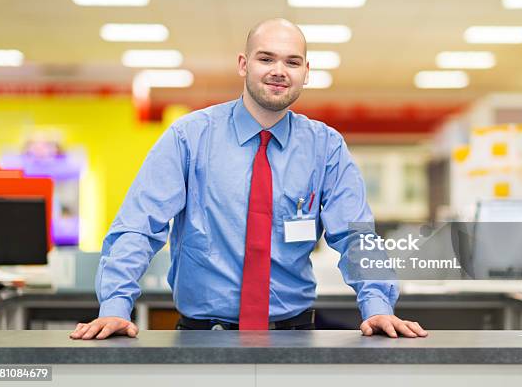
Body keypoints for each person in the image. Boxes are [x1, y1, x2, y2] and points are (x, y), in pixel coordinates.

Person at [70, 18, 428, 340]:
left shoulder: (325, 147)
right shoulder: (189, 138)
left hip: (295, 336)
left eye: (292, 62)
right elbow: (138, 227)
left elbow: (355, 235)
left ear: (306, 71)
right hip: (204, 338)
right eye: (266, 58)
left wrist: (378, 304)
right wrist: (115, 306)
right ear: (244, 64)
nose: (279, 70)